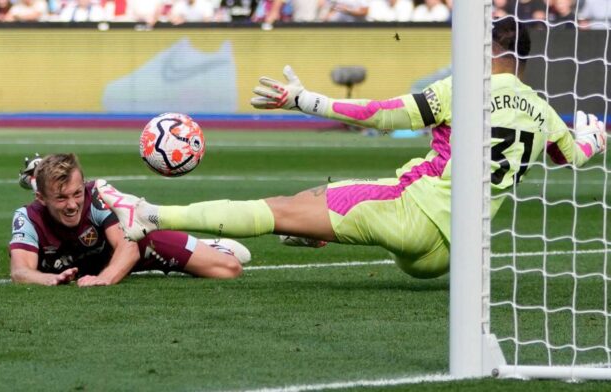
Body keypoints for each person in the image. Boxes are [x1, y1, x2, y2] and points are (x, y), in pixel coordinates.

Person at [95, 17, 606, 279]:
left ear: (489, 47)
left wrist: (304, 100)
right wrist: (596, 136)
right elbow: (574, 155)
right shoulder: (542, 113)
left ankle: (148, 214)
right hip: (452, 252)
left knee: (275, 210)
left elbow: (381, 115)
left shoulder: (468, 86)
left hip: (411, 215)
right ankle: (318, 229)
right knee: (336, 193)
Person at [9, 153, 250, 286]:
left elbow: (129, 246)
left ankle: (212, 246)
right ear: (40, 198)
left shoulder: (95, 195)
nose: (72, 205)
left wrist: (105, 279)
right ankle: (34, 173)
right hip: (96, 260)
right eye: (61, 198)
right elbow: (20, 271)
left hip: (141, 247)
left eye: (76, 194)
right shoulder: (27, 218)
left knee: (230, 268)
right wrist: (49, 279)